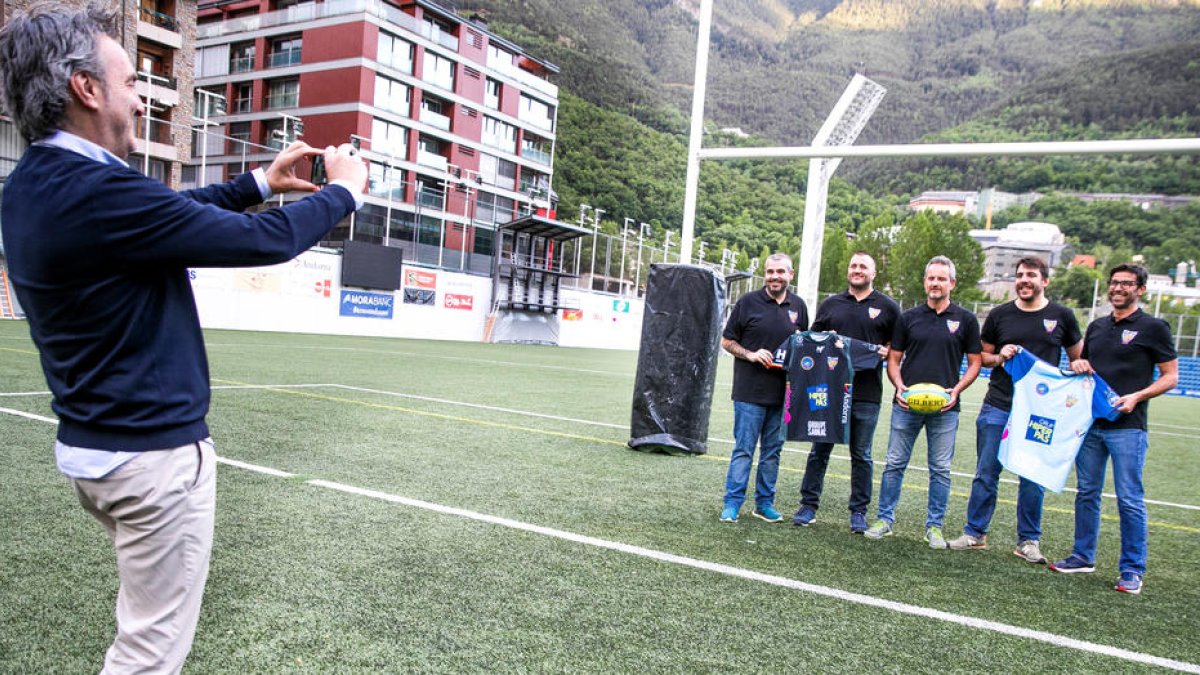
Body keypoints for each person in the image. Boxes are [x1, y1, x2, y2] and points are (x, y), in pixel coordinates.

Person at [0, 5, 368, 672]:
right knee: (148, 652)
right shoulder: (94, 189)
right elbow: (270, 239)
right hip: (152, 461)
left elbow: (169, 217)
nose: (139, 97)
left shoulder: (36, 184)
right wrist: (344, 192)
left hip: (98, 451)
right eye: (128, 79)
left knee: (143, 627)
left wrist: (258, 183)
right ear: (86, 89)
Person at [1051, 264, 1177, 595]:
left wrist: (1138, 396)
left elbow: (1170, 375)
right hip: (1092, 426)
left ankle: (1132, 569)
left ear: (1141, 289)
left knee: (1129, 499)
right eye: (1114, 283)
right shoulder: (1097, 327)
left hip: (1129, 428)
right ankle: (1082, 556)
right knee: (1087, 493)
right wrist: (1078, 365)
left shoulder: (1154, 327)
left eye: (1126, 284)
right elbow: (1087, 369)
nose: (1118, 288)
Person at [947, 257, 1082, 564]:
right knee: (986, 472)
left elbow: (1077, 358)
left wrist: (1078, 365)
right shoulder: (999, 315)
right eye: (1019, 275)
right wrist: (1000, 356)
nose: (1024, 280)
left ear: (1044, 281)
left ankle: (1029, 541)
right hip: (998, 404)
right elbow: (981, 355)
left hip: (1039, 412)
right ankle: (975, 533)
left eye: (1031, 275)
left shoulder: (1062, 316)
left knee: (1032, 476)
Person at [865, 256, 982, 547]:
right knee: (894, 463)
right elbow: (894, 359)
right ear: (925, 281)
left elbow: (976, 362)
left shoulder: (965, 319)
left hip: (945, 408)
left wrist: (956, 391)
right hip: (906, 405)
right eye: (931, 278)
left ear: (952, 283)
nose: (935, 283)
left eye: (941, 279)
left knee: (940, 469)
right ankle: (885, 519)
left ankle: (935, 527)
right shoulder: (908, 317)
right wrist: (900, 386)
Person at [791, 252, 898, 533]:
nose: (857, 270)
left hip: (867, 394)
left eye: (863, 266)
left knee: (861, 454)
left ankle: (858, 511)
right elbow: (811, 341)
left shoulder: (888, 307)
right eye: (853, 265)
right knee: (819, 450)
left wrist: (884, 352)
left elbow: (897, 346)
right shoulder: (831, 305)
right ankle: (808, 505)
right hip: (830, 391)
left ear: (874, 273)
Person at [719, 252, 808, 523]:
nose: (774, 277)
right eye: (770, 272)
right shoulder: (748, 302)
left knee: (772, 452)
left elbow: (803, 344)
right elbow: (726, 341)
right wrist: (750, 354)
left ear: (790, 275)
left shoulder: (799, 306)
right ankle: (732, 503)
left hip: (783, 395)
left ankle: (764, 504)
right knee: (744, 450)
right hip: (749, 393)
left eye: (780, 272)